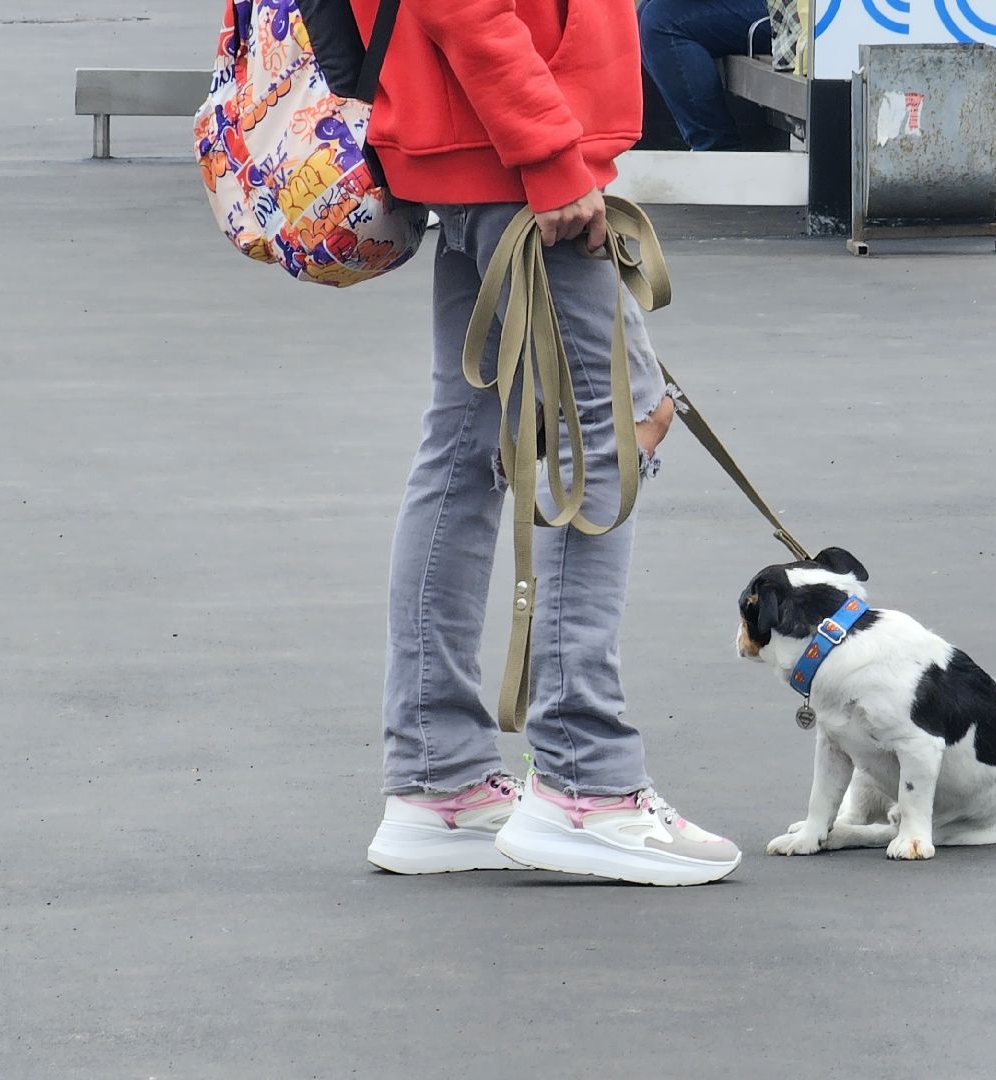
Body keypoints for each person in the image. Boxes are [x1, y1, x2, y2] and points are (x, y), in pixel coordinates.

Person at [354, 0, 742, 885]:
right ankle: (584, 783)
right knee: (607, 431)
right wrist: (549, 149)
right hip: (516, 145)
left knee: (464, 446)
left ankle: (437, 779)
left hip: (470, 134)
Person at [638, 0, 772, 150]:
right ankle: (714, 148)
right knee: (645, 14)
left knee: (660, 21)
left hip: (788, 13)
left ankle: (718, 151)